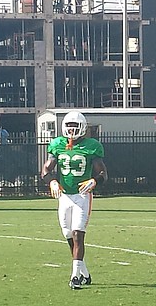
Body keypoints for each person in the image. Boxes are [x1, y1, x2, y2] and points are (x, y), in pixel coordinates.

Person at [41, 111, 108, 290]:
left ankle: (75, 276)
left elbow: (103, 173)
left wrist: (94, 181)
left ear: (82, 128)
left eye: (75, 127)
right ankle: (84, 272)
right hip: (64, 196)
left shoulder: (92, 146)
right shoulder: (57, 144)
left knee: (78, 233)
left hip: (82, 196)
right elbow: (45, 170)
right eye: (69, 127)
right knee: (68, 234)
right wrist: (52, 181)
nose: (71, 130)